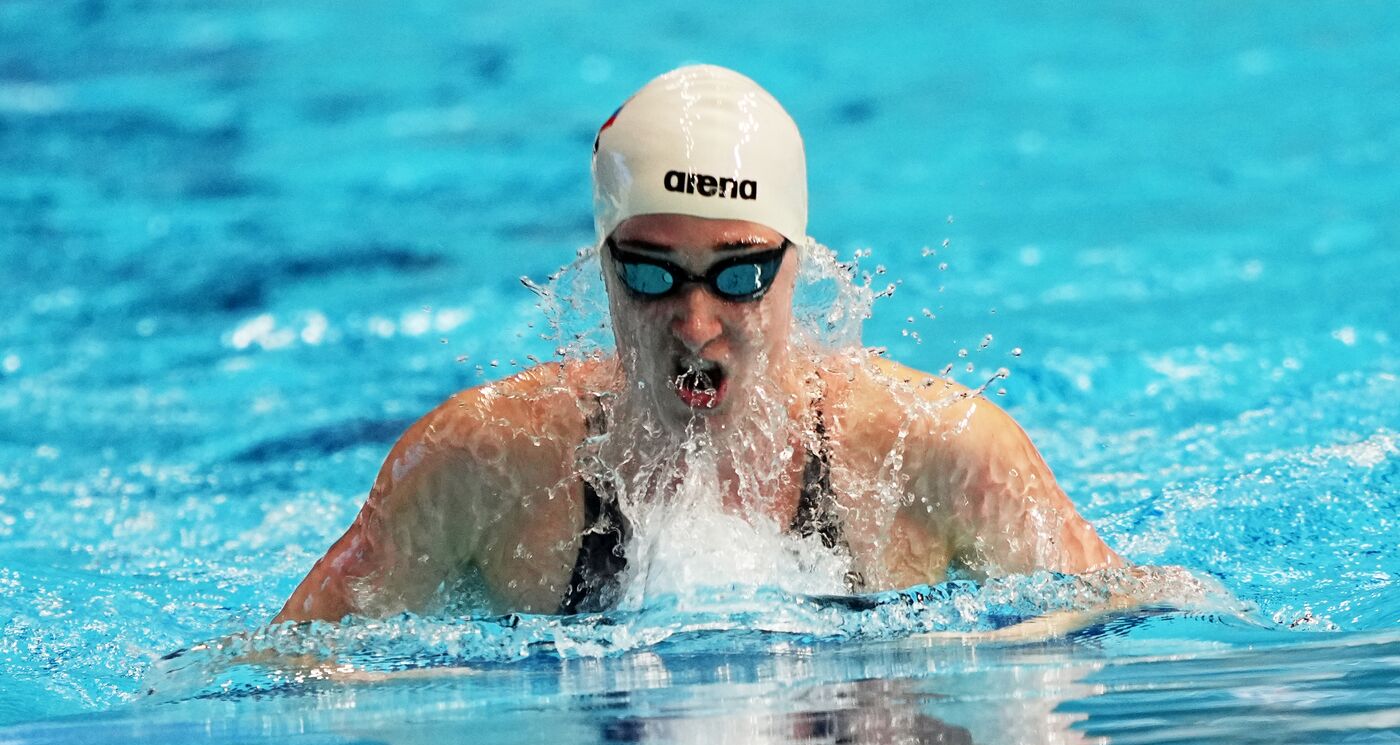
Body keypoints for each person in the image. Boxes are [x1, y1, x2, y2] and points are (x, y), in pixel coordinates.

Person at [275, 65, 1125, 625]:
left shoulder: (941, 453)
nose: (694, 323)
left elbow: (1128, 618)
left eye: (739, 275)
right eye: (649, 275)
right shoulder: (482, 464)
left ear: (800, 262)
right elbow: (284, 670)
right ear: (599, 267)